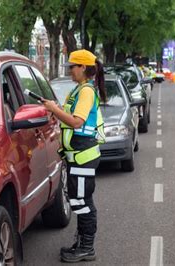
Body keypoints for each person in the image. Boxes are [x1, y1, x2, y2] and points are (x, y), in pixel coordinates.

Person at [42, 49, 106, 263]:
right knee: (79, 200)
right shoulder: (79, 90)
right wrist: (55, 109)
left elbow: (76, 122)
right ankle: (82, 244)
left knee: (82, 201)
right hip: (78, 155)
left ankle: (87, 248)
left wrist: (54, 109)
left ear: (83, 68)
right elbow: (71, 117)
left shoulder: (86, 91)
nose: (70, 70)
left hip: (82, 156)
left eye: (72, 66)